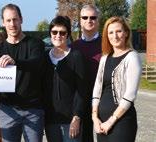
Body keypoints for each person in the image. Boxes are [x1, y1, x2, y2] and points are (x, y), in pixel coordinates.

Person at [0, 4, 45, 142]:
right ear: (3, 22)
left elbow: (37, 63)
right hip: (7, 110)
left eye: (15, 19)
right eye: (8, 20)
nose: (12, 24)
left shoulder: (35, 43)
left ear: (21, 19)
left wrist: (16, 62)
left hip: (33, 110)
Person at [92, 16, 141, 142]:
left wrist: (111, 121)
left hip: (121, 121)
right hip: (101, 122)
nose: (115, 36)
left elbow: (130, 95)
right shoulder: (104, 58)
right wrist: (95, 118)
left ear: (126, 33)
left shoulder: (132, 57)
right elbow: (97, 88)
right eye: (111, 32)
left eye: (119, 31)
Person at [43, 16, 86, 142]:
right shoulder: (44, 58)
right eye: (54, 32)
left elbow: (82, 90)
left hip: (71, 121)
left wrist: (77, 117)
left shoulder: (76, 57)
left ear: (67, 35)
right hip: (51, 120)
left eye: (62, 33)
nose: (58, 35)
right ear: (50, 34)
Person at [71, 4, 102, 142]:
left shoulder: (107, 44)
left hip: (102, 100)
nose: (89, 20)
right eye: (85, 17)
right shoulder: (73, 47)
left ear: (98, 20)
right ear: (80, 20)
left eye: (92, 17)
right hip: (80, 101)